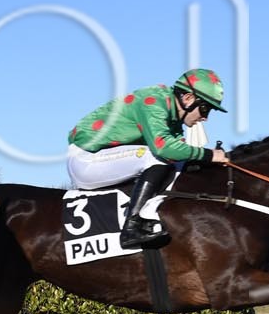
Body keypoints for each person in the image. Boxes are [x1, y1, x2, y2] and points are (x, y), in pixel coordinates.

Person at [66, 68, 230, 249]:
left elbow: (181, 152)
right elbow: (164, 148)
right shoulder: (154, 102)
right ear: (188, 98)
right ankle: (132, 227)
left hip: (105, 159)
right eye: (205, 108)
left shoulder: (173, 116)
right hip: (86, 160)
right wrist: (209, 155)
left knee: (178, 163)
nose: (205, 117)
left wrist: (208, 161)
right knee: (157, 156)